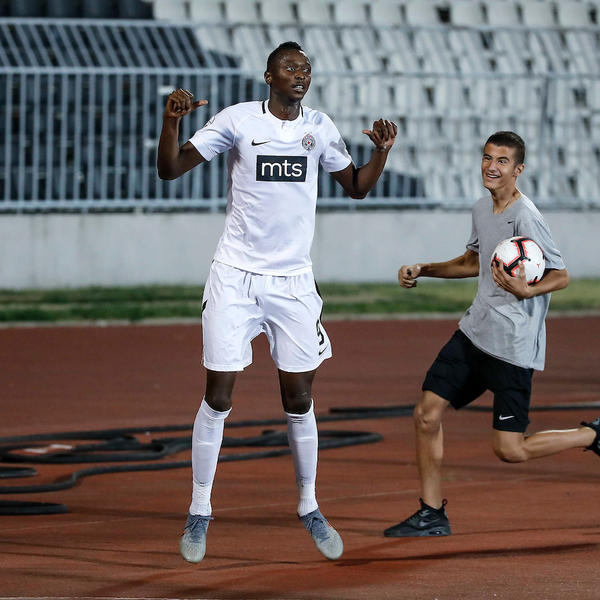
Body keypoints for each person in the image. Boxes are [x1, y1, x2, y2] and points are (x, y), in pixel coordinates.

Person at [157, 41, 397, 562]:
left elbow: (356, 187)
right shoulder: (239, 120)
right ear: (269, 76)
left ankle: (309, 506)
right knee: (218, 395)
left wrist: (381, 153)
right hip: (235, 277)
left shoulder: (321, 128)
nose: (300, 74)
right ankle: (199, 510)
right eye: (290, 67)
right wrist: (171, 121)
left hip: (293, 283)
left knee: (299, 398)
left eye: (306, 68)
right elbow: (170, 168)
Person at [384, 131, 599, 538]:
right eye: (487, 158)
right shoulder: (482, 207)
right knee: (426, 413)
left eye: (502, 161)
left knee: (509, 450)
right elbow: (473, 261)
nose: (492, 167)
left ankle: (592, 435)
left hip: (512, 347)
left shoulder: (527, 216)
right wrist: (424, 269)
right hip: (474, 332)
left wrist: (527, 290)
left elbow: (562, 275)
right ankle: (431, 513)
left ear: (518, 170)